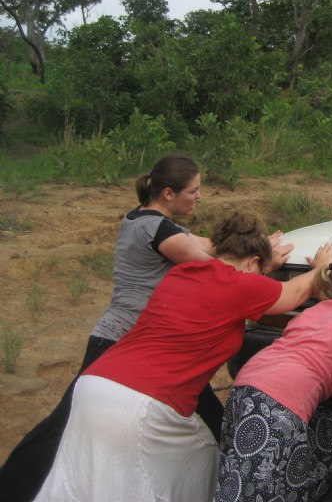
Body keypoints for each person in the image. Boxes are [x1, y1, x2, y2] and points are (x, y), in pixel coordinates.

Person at [0, 153, 293, 502]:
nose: (198, 196)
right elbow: (216, 265)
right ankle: (15, 486)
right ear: (168, 193)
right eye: (193, 190)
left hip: (150, 348)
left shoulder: (149, 221)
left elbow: (214, 246)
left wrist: (254, 245)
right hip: (125, 341)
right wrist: (260, 261)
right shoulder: (157, 229)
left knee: (206, 426)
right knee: (65, 426)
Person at [33, 211, 332, 502]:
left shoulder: (183, 272)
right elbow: (294, 294)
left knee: (78, 485)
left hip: (94, 386)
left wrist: (260, 274)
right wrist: (320, 269)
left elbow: (237, 295)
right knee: (176, 473)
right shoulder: (238, 284)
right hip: (143, 402)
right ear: (255, 262)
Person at [215, 246, 332, 502]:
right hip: (281, 401)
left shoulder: (321, 309)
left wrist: (320, 270)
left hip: (247, 385)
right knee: (248, 495)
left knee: (240, 480)